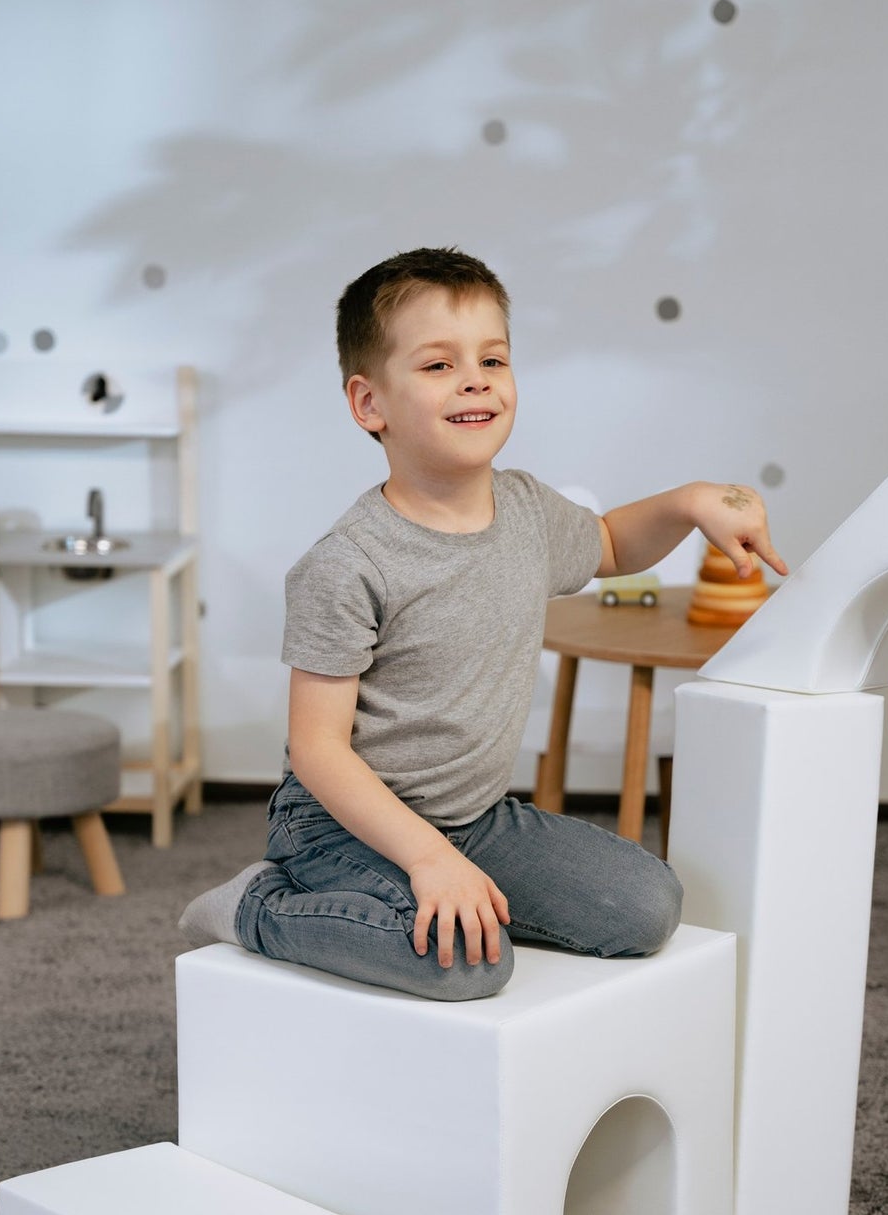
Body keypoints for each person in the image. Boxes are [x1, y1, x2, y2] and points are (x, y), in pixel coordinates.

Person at [179, 247, 787, 999]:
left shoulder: (527, 511)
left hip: (475, 817)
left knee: (646, 907)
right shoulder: (348, 563)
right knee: (470, 962)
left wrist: (689, 502)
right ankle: (259, 908)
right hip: (340, 826)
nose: (474, 379)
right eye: (438, 366)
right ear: (371, 405)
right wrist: (427, 860)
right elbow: (316, 748)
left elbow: (611, 543)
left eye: (492, 359)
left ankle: (440, 882)